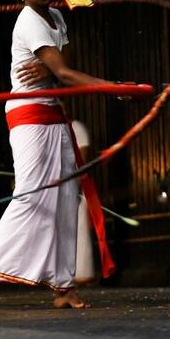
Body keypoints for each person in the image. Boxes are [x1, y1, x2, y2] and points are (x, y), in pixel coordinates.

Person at [0, 0, 108, 311]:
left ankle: (63, 286)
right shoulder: (28, 22)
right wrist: (110, 87)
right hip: (28, 114)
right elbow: (65, 74)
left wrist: (52, 70)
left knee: (67, 197)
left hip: (53, 112)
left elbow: (61, 65)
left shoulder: (56, 16)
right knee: (31, 195)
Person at [70, 120, 96, 285]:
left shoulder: (76, 128)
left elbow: (83, 161)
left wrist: (74, 185)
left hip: (75, 189)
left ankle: (82, 275)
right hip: (60, 189)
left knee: (80, 233)